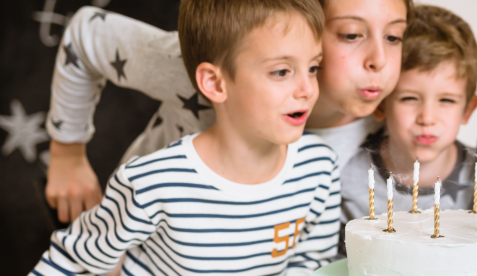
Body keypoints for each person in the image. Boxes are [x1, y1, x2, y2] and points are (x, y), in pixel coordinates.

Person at [0, 0, 368, 276]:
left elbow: (302, 271)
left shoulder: (318, 168)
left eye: (312, 67)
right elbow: (75, 258)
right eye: (281, 71)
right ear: (214, 83)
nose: (307, 88)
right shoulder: (154, 181)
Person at [43, 0, 413, 224]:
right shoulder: (206, 64)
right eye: (350, 34)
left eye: (394, 37)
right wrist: (67, 152)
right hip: (146, 251)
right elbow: (85, 35)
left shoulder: (390, 113)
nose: (379, 61)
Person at [338, 5, 477, 276]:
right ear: (381, 103)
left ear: (468, 108)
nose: (427, 116)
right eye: (409, 98)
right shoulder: (351, 177)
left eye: (446, 100)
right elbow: (338, 264)